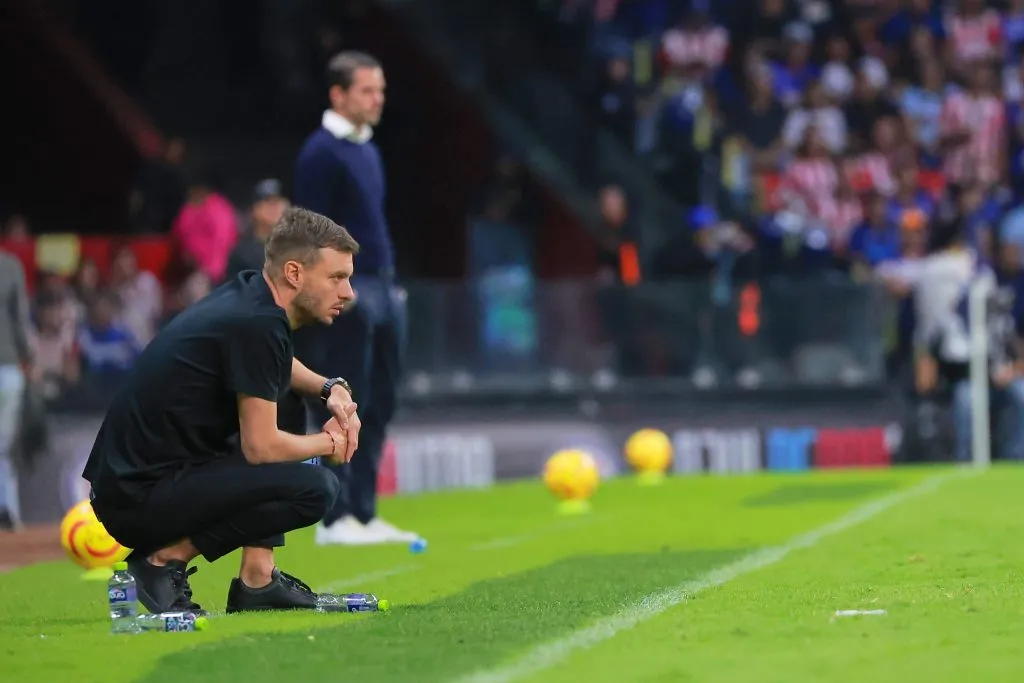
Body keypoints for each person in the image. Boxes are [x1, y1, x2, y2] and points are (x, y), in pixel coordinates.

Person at [84, 207, 365, 614]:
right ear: (294, 273)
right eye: (336, 277)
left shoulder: (253, 297)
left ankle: (258, 579)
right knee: (315, 488)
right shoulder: (259, 323)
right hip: (137, 498)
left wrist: (329, 389)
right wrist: (329, 443)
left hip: (138, 482)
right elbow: (260, 448)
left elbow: (274, 366)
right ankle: (162, 560)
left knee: (285, 398)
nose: (348, 292)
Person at [293, 50, 416, 545]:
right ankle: (334, 515)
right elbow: (310, 234)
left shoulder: (368, 150)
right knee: (345, 399)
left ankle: (364, 511)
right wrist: (335, 291)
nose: (378, 99)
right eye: (367, 90)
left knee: (381, 399)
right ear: (338, 94)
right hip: (350, 290)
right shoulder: (320, 153)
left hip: (384, 284)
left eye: (380, 90)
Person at [0, 249, 33, 531]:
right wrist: (29, 357)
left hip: (7, 367)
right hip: (8, 367)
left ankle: (8, 509)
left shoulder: (11, 265)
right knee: (4, 445)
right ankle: (8, 510)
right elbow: (20, 319)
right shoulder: (9, 265)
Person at [225, 179, 292, 280]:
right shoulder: (243, 254)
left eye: (278, 201)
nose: (274, 207)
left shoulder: (300, 245)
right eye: (267, 202)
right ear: (253, 210)